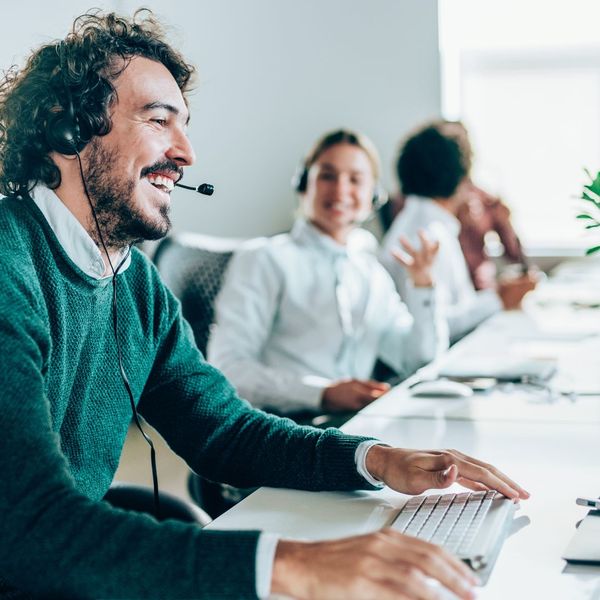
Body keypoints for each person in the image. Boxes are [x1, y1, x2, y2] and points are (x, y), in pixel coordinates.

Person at [0, 11, 529, 599]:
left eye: (187, 126)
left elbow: (223, 430)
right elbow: (25, 528)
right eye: (158, 121)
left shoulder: (133, 282)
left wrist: (375, 459)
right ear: (68, 129)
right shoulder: (8, 262)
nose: (187, 153)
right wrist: (290, 565)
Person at [208, 129, 448, 415]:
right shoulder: (265, 259)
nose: (340, 190)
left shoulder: (370, 272)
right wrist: (321, 394)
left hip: (353, 428)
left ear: (373, 195)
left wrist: (423, 287)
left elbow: (417, 360)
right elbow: (229, 370)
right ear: (303, 184)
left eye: (355, 180)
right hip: (280, 429)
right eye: (327, 176)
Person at [379, 122, 537, 343]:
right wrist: (499, 299)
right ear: (463, 178)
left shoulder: (419, 223)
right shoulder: (428, 235)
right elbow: (438, 325)